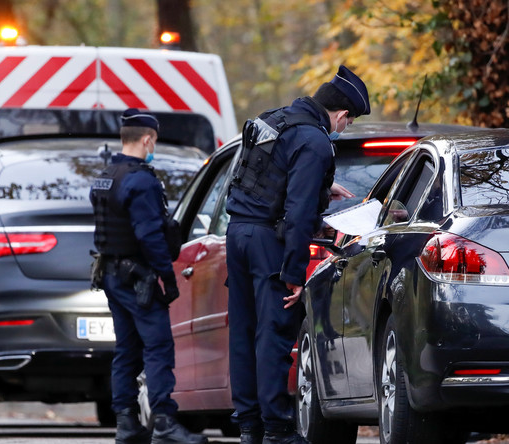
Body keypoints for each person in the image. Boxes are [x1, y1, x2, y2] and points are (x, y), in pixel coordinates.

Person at [225, 65, 369, 444]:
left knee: (243, 333)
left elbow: (270, 174)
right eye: (349, 122)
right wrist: (293, 273)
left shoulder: (275, 119)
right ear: (340, 114)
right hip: (266, 244)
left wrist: (325, 184)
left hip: (237, 232)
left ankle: (250, 427)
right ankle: (277, 430)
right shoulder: (315, 141)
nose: (345, 128)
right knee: (272, 335)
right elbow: (300, 211)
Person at [90, 109, 206, 444]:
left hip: (112, 275)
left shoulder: (106, 175)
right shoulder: (140, 180)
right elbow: (149, 235)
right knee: (158, 347)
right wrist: (166, 277)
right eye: (153, 141)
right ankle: (165, 424)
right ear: (147, 139)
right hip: (137, 277)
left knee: (127, 349)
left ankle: (126, 424)